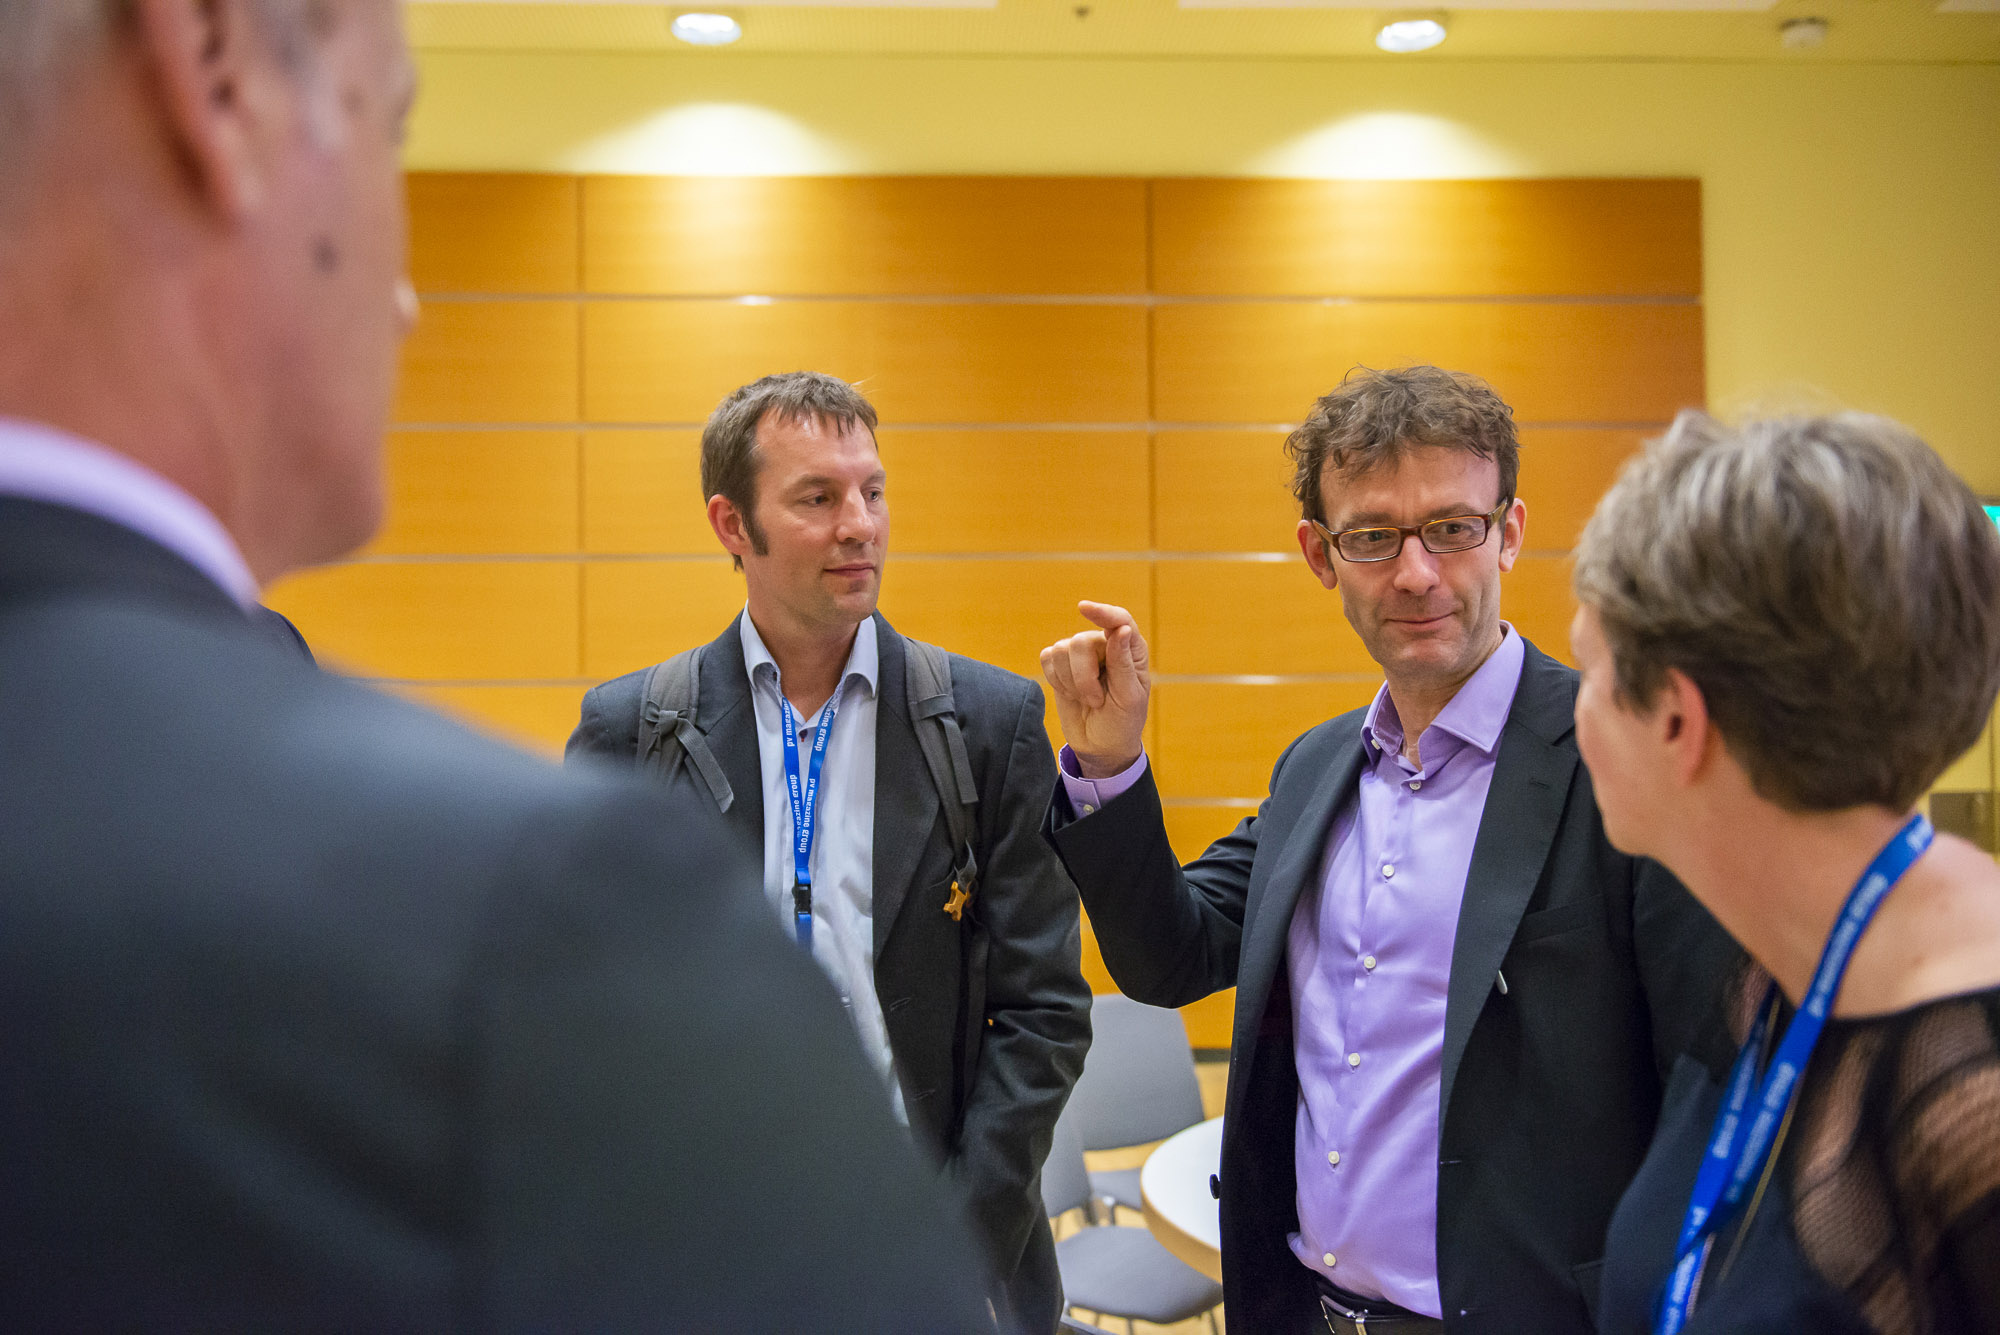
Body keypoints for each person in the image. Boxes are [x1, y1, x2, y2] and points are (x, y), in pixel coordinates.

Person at [0, 0, 991, 1328]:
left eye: (871, 491)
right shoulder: (521, 909)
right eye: (391, 132)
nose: (408, 301)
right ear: (217, 76)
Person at [1038, 365, 1740, 1334]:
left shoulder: (1623, 758)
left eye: (1451, 527)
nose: (1415, 574)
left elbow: (1714, 1092)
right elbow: (1171, 956)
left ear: (1509, 532)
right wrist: (1111, 766)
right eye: (1372, 537)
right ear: (1319, 554)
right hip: (1306, 1312)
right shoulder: (1314, 769)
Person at [567, 371, 1093, 1333]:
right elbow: (586, 1010)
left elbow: (1045, 1011)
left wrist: (958, 1242)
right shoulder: (630, 731)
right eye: (817, 497)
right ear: (732, 525)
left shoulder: (989, 723)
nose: (861, 525)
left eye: (873, 491)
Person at [1571, 411, 2000, 1334]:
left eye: (1588, 672)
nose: (1576, 714)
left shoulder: (1974, 1081)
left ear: (1677, 720)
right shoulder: (1769, 969)